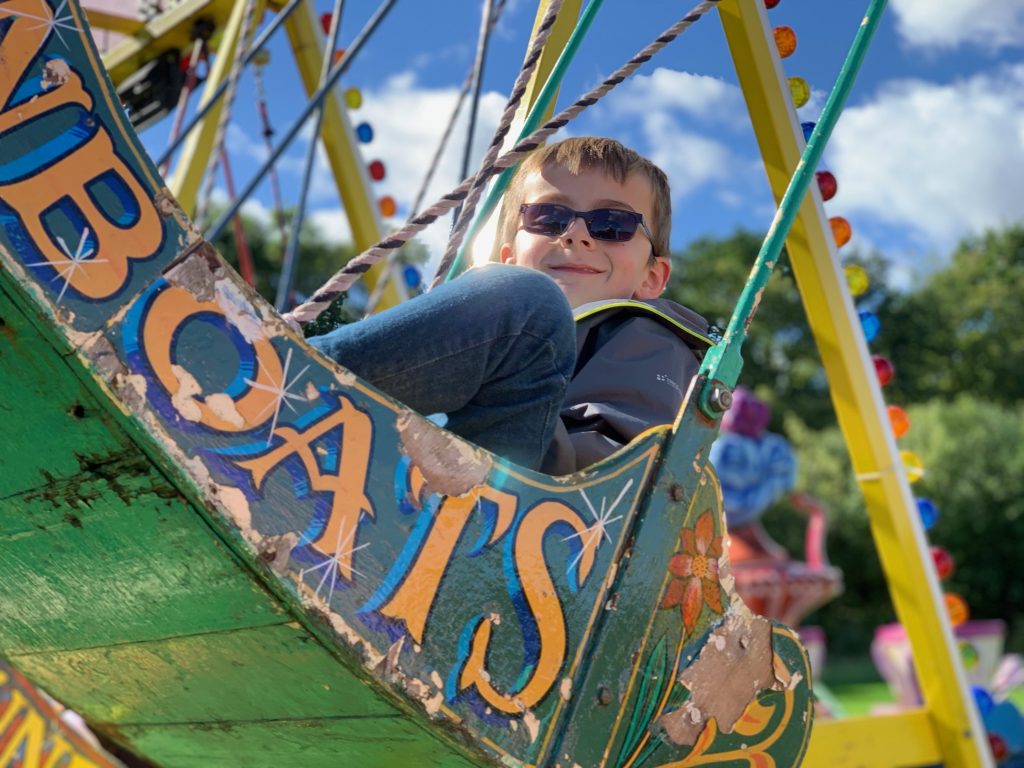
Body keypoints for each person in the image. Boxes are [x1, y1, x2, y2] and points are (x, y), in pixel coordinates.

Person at [309, 137, 711, 474]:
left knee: (534, 306)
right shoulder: (499, 323)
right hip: (420, 465)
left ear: (652, 276)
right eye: (549, 217)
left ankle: (302, 375)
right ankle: (313, 401)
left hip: (549, 494)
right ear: (509, 258)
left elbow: (619, 464)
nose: (575, 235)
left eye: (612, 225)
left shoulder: (650, 339)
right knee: (528, 306)